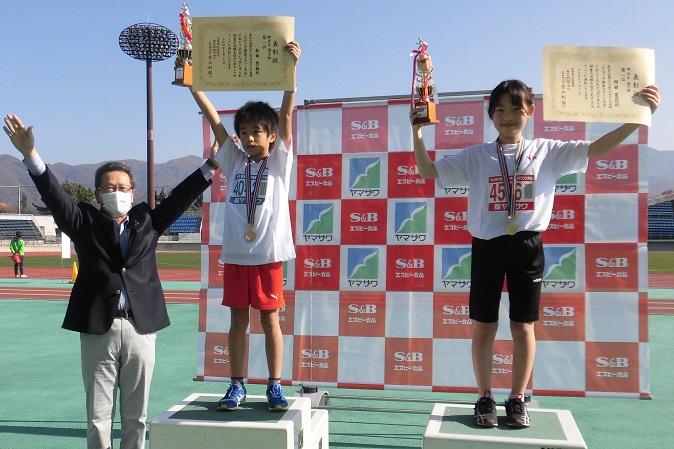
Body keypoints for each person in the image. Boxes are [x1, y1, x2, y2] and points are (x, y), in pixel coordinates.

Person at [410, 80, 660, 428]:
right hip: (486, 247)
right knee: (484, 326)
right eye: (500, 110)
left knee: (522, 326)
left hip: (527, 247)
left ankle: (516, 398)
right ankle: (484, 396)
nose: (508, 116)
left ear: (530, 111)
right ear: (491, 115)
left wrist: (637, 120)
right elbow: (428, 170)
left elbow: (597, 148)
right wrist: (417, 133)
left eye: (516, 109)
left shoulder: (547, 150)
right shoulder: (477, 155)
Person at [3, 114, 218, 449]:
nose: (117, 193)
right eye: (110, 188)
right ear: (98, 192)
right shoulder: (83, 221)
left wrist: (211, 165)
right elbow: (57, 196)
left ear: (133, 193)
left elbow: (179, 196)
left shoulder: (148, 220)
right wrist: (31, 156)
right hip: (99, 327)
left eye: (123, 188)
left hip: (140, 327)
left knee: (137, 416)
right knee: (98, 416)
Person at [188, 41, 300, 412]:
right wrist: (192, 85)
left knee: (270, 320)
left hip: (268, 255)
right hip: (236, 254)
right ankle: (236, 385)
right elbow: (214, 120)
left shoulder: (280, 162)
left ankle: (274, 385)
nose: (250, 138)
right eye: (245, 131)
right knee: (237, 320)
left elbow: (285, 117)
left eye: (257, 131)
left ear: (270, 136)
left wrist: (290, 75)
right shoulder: (234, 161)